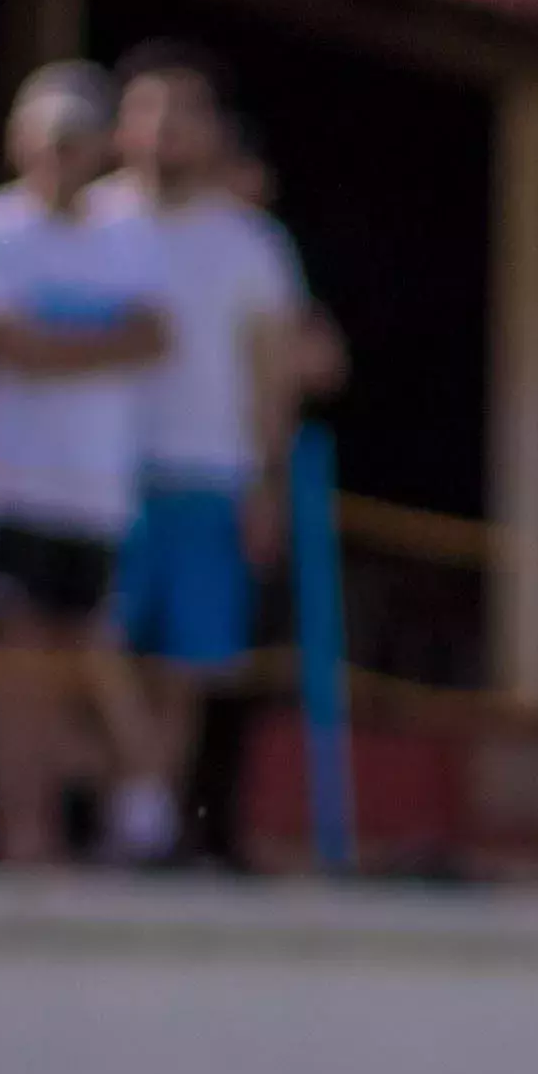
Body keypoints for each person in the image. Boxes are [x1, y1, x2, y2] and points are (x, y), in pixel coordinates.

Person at [102, 43, 339, 865]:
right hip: (92, 475)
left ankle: (147, 823)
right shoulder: (93, 221)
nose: (166, 127)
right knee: (89, 645)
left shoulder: (251, 243)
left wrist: (267, 483)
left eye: (184, 111)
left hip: (210, 473)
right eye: (150, 107)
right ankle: (136, 793)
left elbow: (271, 376)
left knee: (188, 663)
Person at [0, 66, 164, 865]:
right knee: (17, 666)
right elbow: (3, 343)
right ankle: (19, 831)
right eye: (50, 138)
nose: (62, 155)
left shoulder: (129, 233)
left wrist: (51, 348)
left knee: (90, 661)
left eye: (77, 138)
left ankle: (124, 814)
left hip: (99, 490)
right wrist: (96, 348)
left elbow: (152, 337)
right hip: (16, 479)